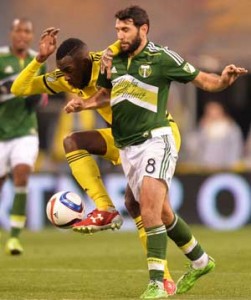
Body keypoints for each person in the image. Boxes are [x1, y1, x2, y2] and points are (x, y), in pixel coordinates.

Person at [64, 5, 248, 298]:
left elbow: (203, 79)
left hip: (157, 139)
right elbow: (106, 94)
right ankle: (200, 261)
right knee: (162, 214)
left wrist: (223, 80)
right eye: (117, 31)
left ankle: (157, 284)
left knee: (148, 209)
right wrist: (83, 104)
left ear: (143, 29)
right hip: (128, 147)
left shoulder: (162, 57)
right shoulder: (114, 61)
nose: (119, 36)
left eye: (125, 30)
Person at [11, 27, 180, 295]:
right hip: (123, 139)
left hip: (155, 135)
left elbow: (131, 90)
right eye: (62, 71)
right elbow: (19, 88)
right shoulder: (67, 79)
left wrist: (87, 101)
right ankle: (105, 209)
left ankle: (175, 273)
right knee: (73, 142)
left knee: (146, 208)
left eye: (69, 70)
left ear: (86, 62)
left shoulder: (110, 63)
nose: (66, 78)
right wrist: (40, 58)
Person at [0, 18, 46, 255]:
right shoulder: (0, 58)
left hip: (26, 130)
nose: (22, 35)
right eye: (18, 30)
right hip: (1, 132)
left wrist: (38, 97)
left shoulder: (37, 60)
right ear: (11, 33)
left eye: (27, 31)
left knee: (22, 174)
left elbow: (42, 94)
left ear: (30, 36)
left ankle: (15, 237)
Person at [185, 100, 244, 169]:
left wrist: (231, 166)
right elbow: (193, 147)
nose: (213, 114)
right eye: (209, 112)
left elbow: (236, 149)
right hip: (205, 167)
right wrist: (202, 130)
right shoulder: (203, 128)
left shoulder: (231, 128)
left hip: (224, 168)